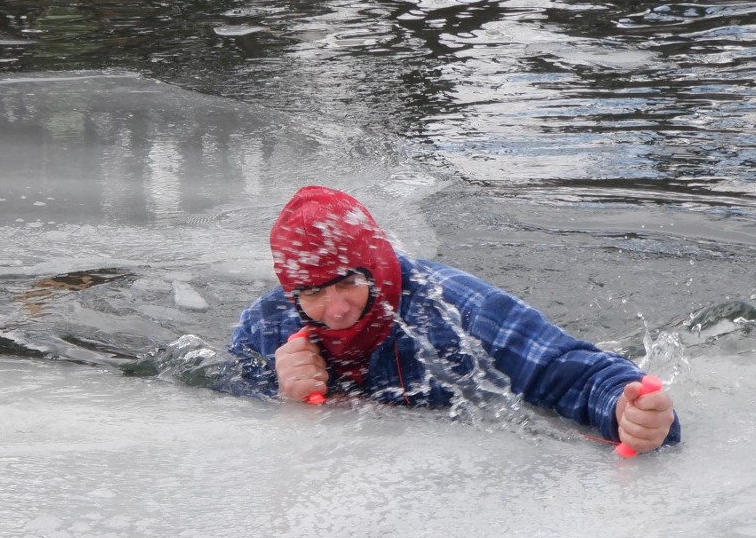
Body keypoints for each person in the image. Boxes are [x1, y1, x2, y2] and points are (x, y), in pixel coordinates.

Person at [229, 185, 679, 453]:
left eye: (350, 282)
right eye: (313, 293)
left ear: (378, 267)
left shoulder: (458, 310)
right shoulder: (268, 325)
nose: (337, 309)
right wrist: (277, 391)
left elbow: (574, 374)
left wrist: (627, 411)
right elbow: (214, 398)